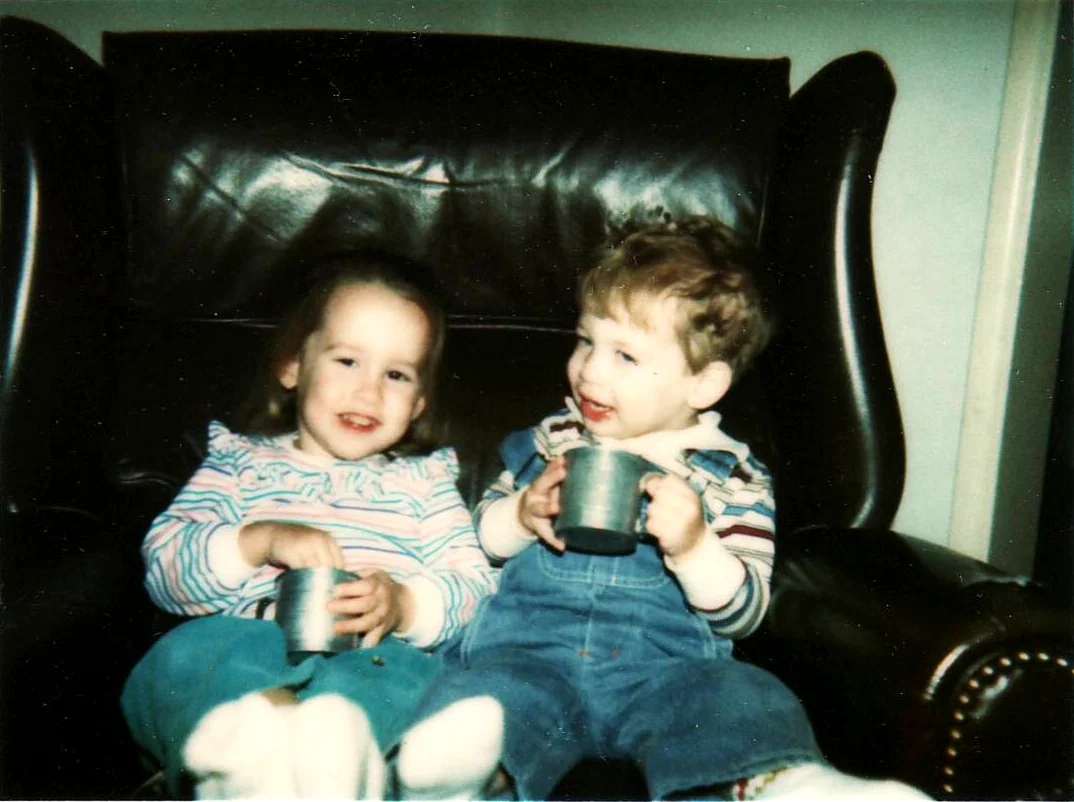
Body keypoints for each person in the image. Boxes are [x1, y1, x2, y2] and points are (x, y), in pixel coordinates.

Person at [404, 218, 931, 800]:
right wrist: (521, 516)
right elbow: (477, 541)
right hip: (530, 657)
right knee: (481, 699)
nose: (590, 370)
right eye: (586, 341)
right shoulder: (553, 440)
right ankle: (457, 779)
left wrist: (695, 547)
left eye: (626, 356)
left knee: (740, 697)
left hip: (664, 673)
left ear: (702, 385)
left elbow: (745, 614)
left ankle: (787, 783)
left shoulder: (728, 475)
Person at [120, 251, 504, 800]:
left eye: (396, 375)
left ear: (418, 404)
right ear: (293, 366)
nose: (369, 392)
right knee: (190, 654)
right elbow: (165, 568)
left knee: (413, 682)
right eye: (347, 361)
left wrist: (404, 605)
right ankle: (252, 760)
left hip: (372, 656)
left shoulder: (424, 485)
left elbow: (474, 587)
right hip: (247, 643)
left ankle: (364, 763)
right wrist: (259, 541)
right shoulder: (239, 464)